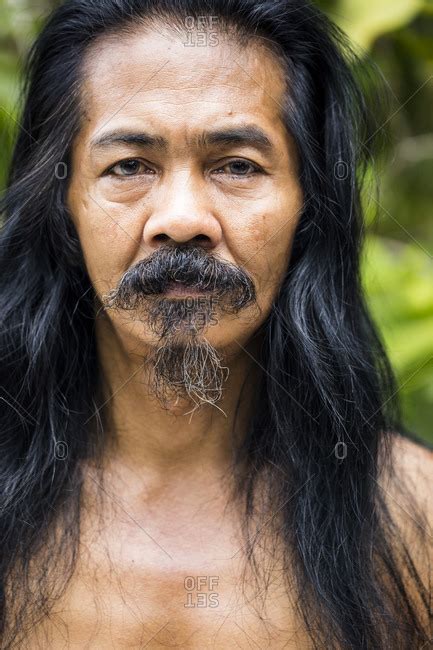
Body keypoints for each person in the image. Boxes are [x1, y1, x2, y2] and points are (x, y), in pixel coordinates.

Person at [0, 1, 431, 648]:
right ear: (62, 206)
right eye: (128, 166)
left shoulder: (413, 522)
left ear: (308, 209)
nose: (179, 218)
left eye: (236, 166)